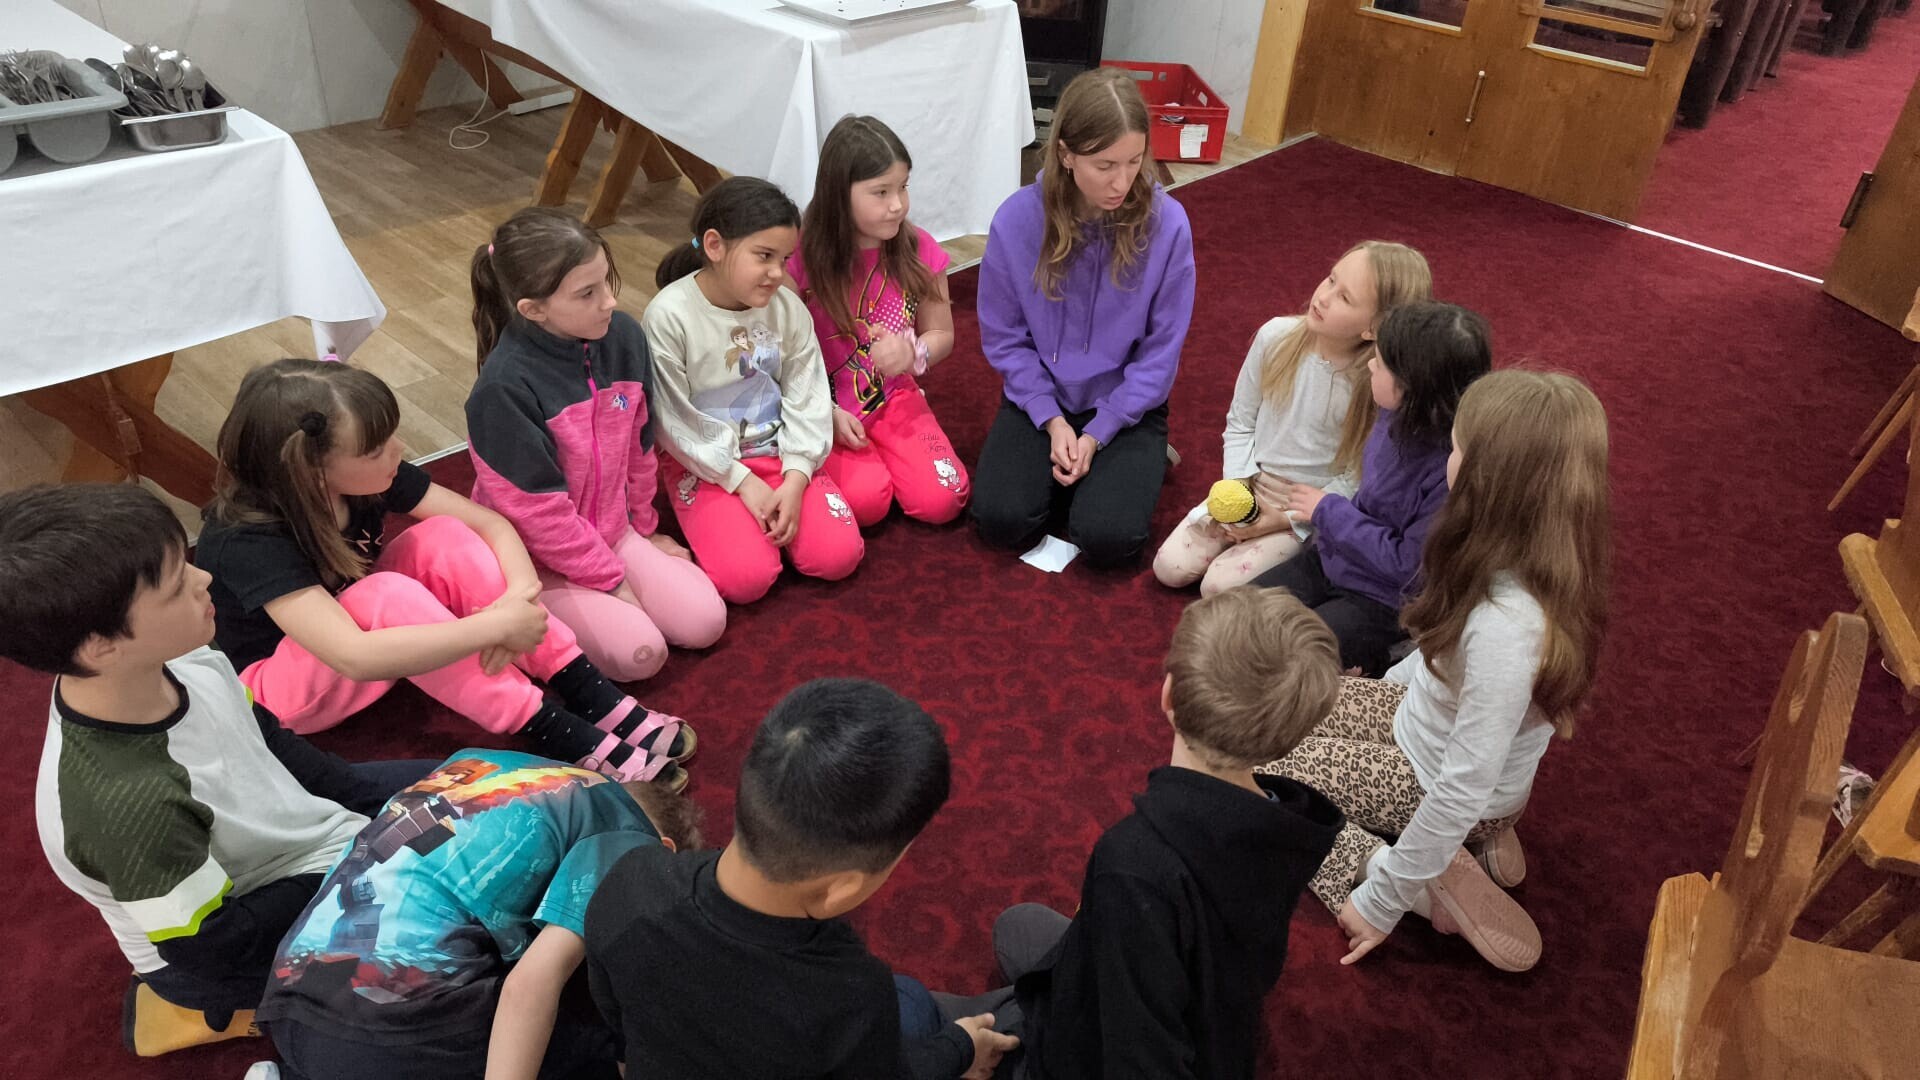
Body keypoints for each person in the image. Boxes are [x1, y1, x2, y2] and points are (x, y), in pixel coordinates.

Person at [2, 484, 428, 1057]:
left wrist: (371, 808)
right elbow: (213, 946)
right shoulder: (126, 804)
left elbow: (269, 738)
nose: (204, 579)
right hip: (231, 944)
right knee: (446, 998)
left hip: (302, 847)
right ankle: (205, 1012)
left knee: (509, 793)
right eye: (176, 585)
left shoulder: (175, 650)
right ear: (100, 646)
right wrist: (371, 853)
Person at [196, 358, 694, 788]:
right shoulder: (246, 538)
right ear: (312, 471)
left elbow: (490, 525)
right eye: (375, 449)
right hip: (282, 689)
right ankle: (548, 727)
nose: (398, 450)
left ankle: (588, 691)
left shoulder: (366, 478)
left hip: (356, 628)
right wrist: (493, 627)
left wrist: (519, 600)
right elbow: (353, 655)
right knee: (384, 594)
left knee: (443, 538)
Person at [1259, 370, 1612, 973]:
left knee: (1249, 767)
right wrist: (1368, 700)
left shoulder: (1508, 626)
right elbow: (1439, 664)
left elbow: (1462, 785)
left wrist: (1382, 900)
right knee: (1265, 710)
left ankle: (1407, 873)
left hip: (1444, 783)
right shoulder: (1531, 558)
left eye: (1456, 447)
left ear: (1485, 480)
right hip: (1421, 728)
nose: (1446, 456)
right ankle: (1457, 845)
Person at [985, 588, 1345, 1079]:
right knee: (1019, 926)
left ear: (1168, 696)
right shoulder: (1287, 818)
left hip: (1091, 1047)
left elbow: (1138, 1057)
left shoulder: (1133, 863)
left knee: (915, 1013)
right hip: (1205, 1004)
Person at [584, 679, 1018, 1080]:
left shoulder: (628, 881)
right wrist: (961, 1048)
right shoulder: (850, 996)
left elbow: (616, 1026)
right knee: (914, 1002)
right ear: (840, 889)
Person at [258, 748, 703, 1080]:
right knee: (608, 1047)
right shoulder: (629, 839)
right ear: (663, 852)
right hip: (399, 1032)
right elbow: (530, 985)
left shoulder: (490, 766)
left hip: (289, 1002)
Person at [467, 206, 727, 683]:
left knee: (707, 623)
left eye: (606, 280)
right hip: (537, 559)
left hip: (612, 530)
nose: (609, 301)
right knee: (642, 653)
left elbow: (639, 449)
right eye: (587, 293)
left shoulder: (623, 336)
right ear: (533, 310)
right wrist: (610, 578)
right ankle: (508, 615)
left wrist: (644, 530)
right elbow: (537, 516)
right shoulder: (503, 390)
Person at [972, 66, 1196, 567]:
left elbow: (1161, 354)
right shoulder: (1016, 220)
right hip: (1042, 398)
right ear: (1066, 155)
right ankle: (1077, 467)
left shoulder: (1168, 225)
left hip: (1128, 404)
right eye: (1105, 165)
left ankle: (1125, 461)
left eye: (1135, 161)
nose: (1122, 181)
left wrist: (1101, 430)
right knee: (1000, 522)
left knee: (1108, 540)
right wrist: (1051, 420)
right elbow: (1005, 339)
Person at [1153, 241, 1432, 595]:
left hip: (1305, 507)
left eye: (1345, 298)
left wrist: (1283, 520)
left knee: (1218, 589)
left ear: (1374, 329)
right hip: (1250, 482)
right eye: (1331, 279)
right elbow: (1240, 422)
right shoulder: (1275, 336)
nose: (1324, 297)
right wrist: (1238, 488)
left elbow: (1358, 475)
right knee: (1169, 568)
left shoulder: (1374, 384)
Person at [645, 177, 865, 604]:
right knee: (746, 580)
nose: (778, 273)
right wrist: (741, 481)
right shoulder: (669, 317)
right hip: (708, 463)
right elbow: (673, 420)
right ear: (715, 245)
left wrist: (797, 477)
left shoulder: (787, 308)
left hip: (779, 452)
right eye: (764, 256)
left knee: (839, 556)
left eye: (785, 259)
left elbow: (807, 392)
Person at [1250, 301, 1492, 674]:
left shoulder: (1450, 472)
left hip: (1383, 600)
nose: (1370, 365)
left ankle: (1385, 657)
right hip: (1333, 559)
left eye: (1381, 362)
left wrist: (1329, 511)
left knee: (1287, 658)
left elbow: (1407, 568)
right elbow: (1370, 495)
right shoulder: (1392, 411)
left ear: (1412, 387)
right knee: (1236, 616)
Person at [789, 114, 970, 527]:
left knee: (944, 498)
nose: (897, 204)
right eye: (881, 192)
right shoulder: (800, 257)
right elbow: (781, 356)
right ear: (839, 194)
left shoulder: (918, 248)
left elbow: (942, 333)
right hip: (826, 405)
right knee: (866, 503)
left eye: (903, 187)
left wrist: (913, 352)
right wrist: (823, 411)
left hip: (894, 396)